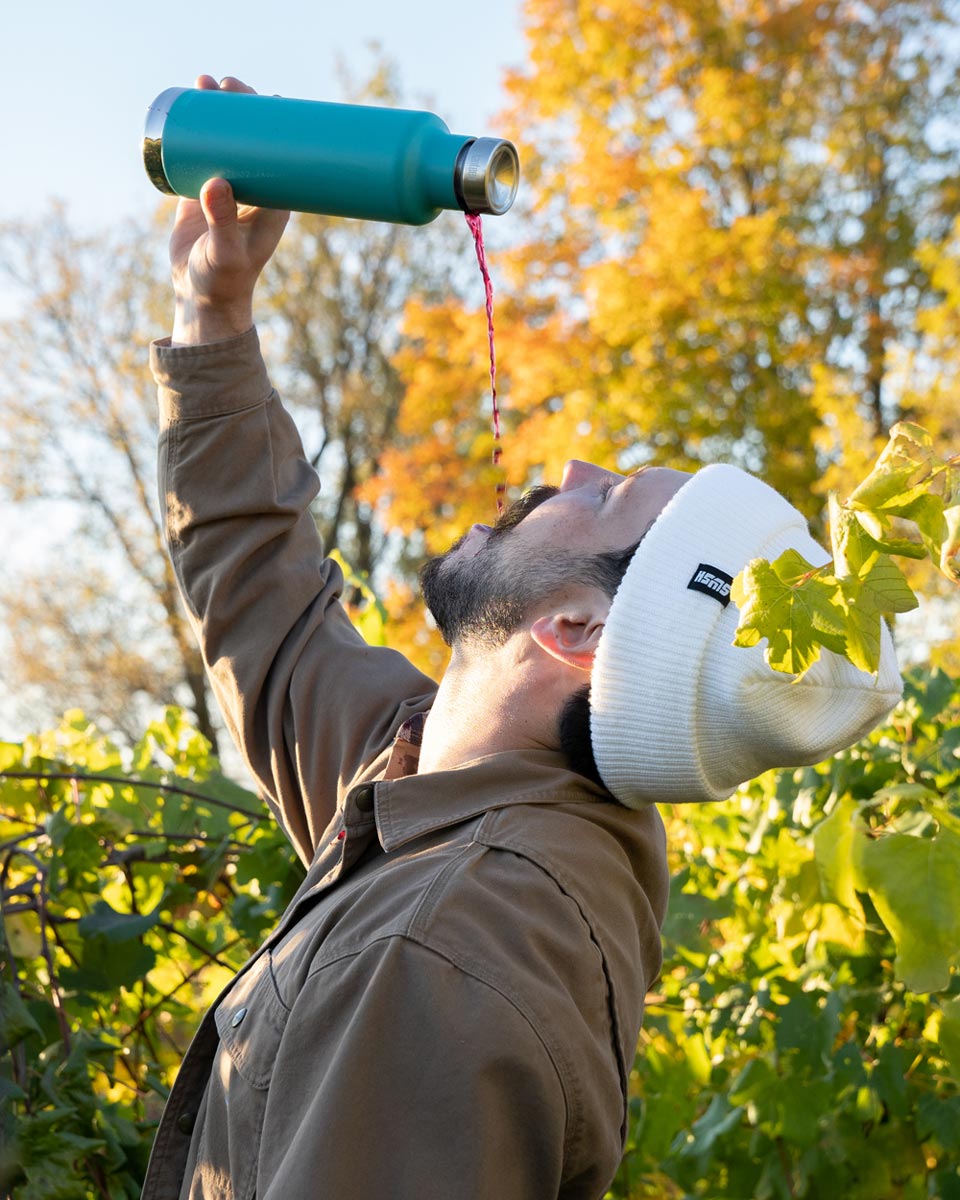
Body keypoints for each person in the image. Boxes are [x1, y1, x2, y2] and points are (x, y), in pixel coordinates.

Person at [141, 75, 903, 1200]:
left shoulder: (444, 949)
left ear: (578, 629)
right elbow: (268, 609)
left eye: (608, 499)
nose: (576, 471)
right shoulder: (442, 787)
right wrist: (214, 312)